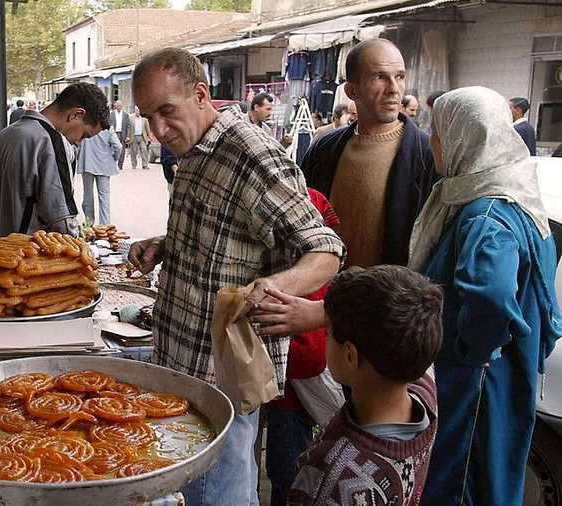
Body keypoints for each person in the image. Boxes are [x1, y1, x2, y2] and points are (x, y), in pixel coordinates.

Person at [128, 47, 345, 506]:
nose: (157, 131)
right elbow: (228, 233)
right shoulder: (192, 151)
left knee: (218, 492)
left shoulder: (250, 154)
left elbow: (325, 249)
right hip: (180, 362)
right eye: (148, 117)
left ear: (202, 94)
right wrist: (165, 245)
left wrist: (277, 287)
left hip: (223, 376)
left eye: (166, 112)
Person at [410, 87, 562, 505]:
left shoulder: (487, 215)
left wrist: (468, 350)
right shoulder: (515, 197)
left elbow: (492, 297)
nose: (432, 143)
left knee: (463, 483)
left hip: (475, 382)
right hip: (498, 374)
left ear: (464, 137)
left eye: (437, 133)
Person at [286, 265, 443, 506]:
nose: (325, 336)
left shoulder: (334, 481)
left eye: (327, 334)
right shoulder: (424, 392)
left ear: (351, 355)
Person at [301, 39, 438, 268]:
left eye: (400, 76)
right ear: (352, 90)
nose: (394, 88)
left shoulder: (427, 155)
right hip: (324, 294)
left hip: (391, 298)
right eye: (379, 77)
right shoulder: (323, 150)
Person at [261, 188, 340, 506]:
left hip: (288, 399)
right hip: (287, 393)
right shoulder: (313, 206)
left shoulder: (289, 284)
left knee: (287, 467)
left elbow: (308, 358)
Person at [0, 83, 109, 236]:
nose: (78, 142)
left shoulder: (4, 135)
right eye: (84, 135)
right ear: (76, 115)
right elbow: (62, 221)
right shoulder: (50, 141)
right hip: (25, 254)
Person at [77, 126, 122, 225]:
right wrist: (114, 158)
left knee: (87, 195)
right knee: (104, 196)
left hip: (87, 164)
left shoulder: (86, 126)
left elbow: (77, 144)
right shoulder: (108, 129)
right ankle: (105, 225)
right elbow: (118, 146)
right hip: (104, 166)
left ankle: (89, 223)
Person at [110, 100, 131, 170]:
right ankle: (113, 164)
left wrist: (128, 136)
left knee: (122, 150)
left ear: (122, 106)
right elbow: (108, 125)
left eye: (120, 106)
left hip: (123, 134)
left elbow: (128, 126)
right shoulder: (111, 114)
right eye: (118, 106)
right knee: (113, 149)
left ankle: (120, 165)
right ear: (115, 106)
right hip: (114, 134)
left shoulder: (125, 115)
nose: (119, 107)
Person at [129, 105, 151, 170]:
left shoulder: (144, 118)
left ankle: (145, 165)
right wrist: (128, 136)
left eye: (139, 110)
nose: (138, 112)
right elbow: (129, 128)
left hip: (142, 137)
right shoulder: (131, 118)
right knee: (133, 152)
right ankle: (134, 165)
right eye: (136, 110)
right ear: (135, 110)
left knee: (144, 149)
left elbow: (147, 128)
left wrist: (149, 137)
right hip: (134, 137)